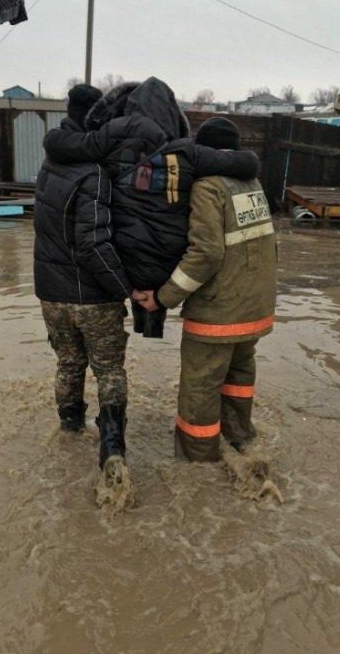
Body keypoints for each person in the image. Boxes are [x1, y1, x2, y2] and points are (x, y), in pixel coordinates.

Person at [43, 77, 261, 342]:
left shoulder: (108, 138)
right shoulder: (187, 153)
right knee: (160, 289)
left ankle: (142, 321)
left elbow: (58, 143)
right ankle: (153, 325)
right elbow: (248, 164)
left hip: (126, 261)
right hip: (166, 265)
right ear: (173, 116)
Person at [139, 117, 277, 462]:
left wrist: (163, 298)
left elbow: (206, 253)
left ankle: (198, 463)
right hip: (254, 310)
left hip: (218, 313)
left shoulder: (208, 186)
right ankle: (240, 439)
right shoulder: (251, 183)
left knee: (200, 388)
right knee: (239, 378)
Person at [34, 83, 143, 480]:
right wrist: (127, 288)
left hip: (51, 294)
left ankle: (69, 430)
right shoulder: (94, 173)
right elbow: (93, 244)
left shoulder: (49, 164)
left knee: (68, 363)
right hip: (92, 297)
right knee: (110, 370)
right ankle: (113, 451)